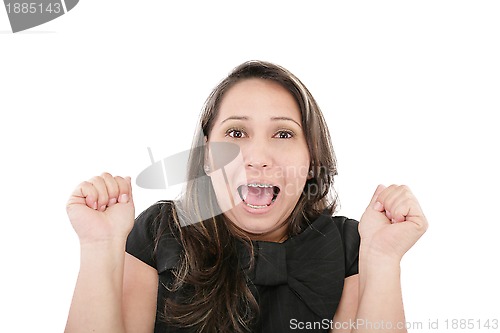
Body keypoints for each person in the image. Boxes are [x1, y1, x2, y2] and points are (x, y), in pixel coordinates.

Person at [65, 60, 428, 333]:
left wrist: (382, 259)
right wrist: (98, 247)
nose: (257, 157)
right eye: (236, 132)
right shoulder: (160, 233)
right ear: (207, 155)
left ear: (311, 157)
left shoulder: (353, 246)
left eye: (283, 135)